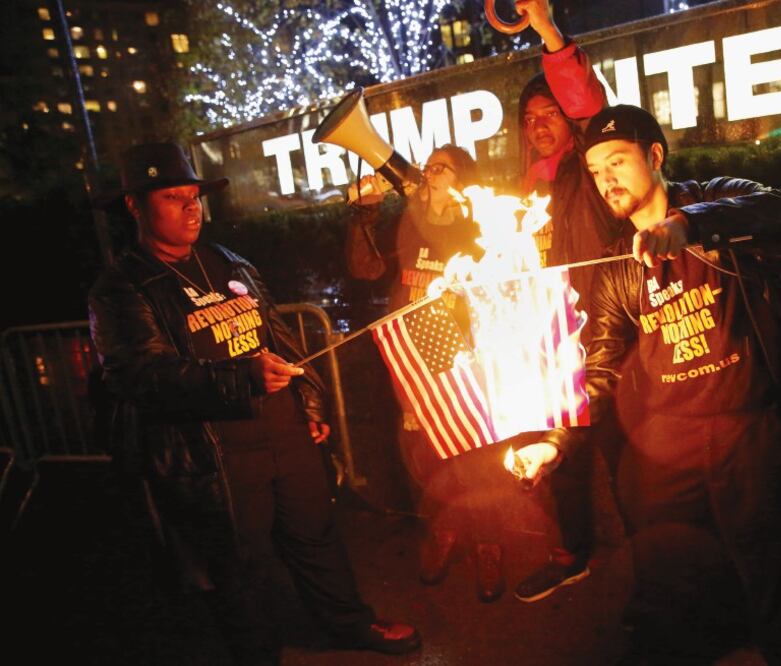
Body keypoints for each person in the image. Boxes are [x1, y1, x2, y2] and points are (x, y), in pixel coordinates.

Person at [88, 142, 420, 665]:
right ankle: (257, 652)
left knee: (316, 532)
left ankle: (349, 623)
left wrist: (308, 403)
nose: (191, 207)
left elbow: (279, 338)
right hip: (215, 449)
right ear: (135, 206)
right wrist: (239, 378)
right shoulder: (123, 287)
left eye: (194, 195)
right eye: (173, 197)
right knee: (242, 563)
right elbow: (140, 377)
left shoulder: (227, 261)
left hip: (282, 430)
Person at [517, 105, 781, 664]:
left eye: (618, 161)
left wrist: (689, 225)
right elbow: (600, 367)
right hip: (670, 448)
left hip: (747, 430)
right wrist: (555, 441)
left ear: (654, 156)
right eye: (594, 169)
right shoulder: (616, 265)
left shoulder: (715, 198)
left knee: (777, 576)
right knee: (675, 585)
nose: (606, 180)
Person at [346, 144, 508, 602]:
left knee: (477, 461)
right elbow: (365, 269)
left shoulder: (478, 226)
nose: (430, 174)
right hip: (413, 364)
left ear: (462, 181)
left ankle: (488, 543)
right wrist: (363, 217)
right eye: (429, 166)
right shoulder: (407, 223)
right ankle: (444, 532)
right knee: (425, 458)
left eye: (443, 168)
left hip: (464, 361)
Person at [511, 0, 630, 605]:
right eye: (529, 116)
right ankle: (572, 554)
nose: (539, 123)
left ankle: (658, 571)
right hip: (551, 343)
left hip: (610, 333)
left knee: (628, 455)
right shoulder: (525, 187)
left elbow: (589, 104)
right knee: (562, 456)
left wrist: (547, 32)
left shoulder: (587, 164)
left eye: (549, 111)